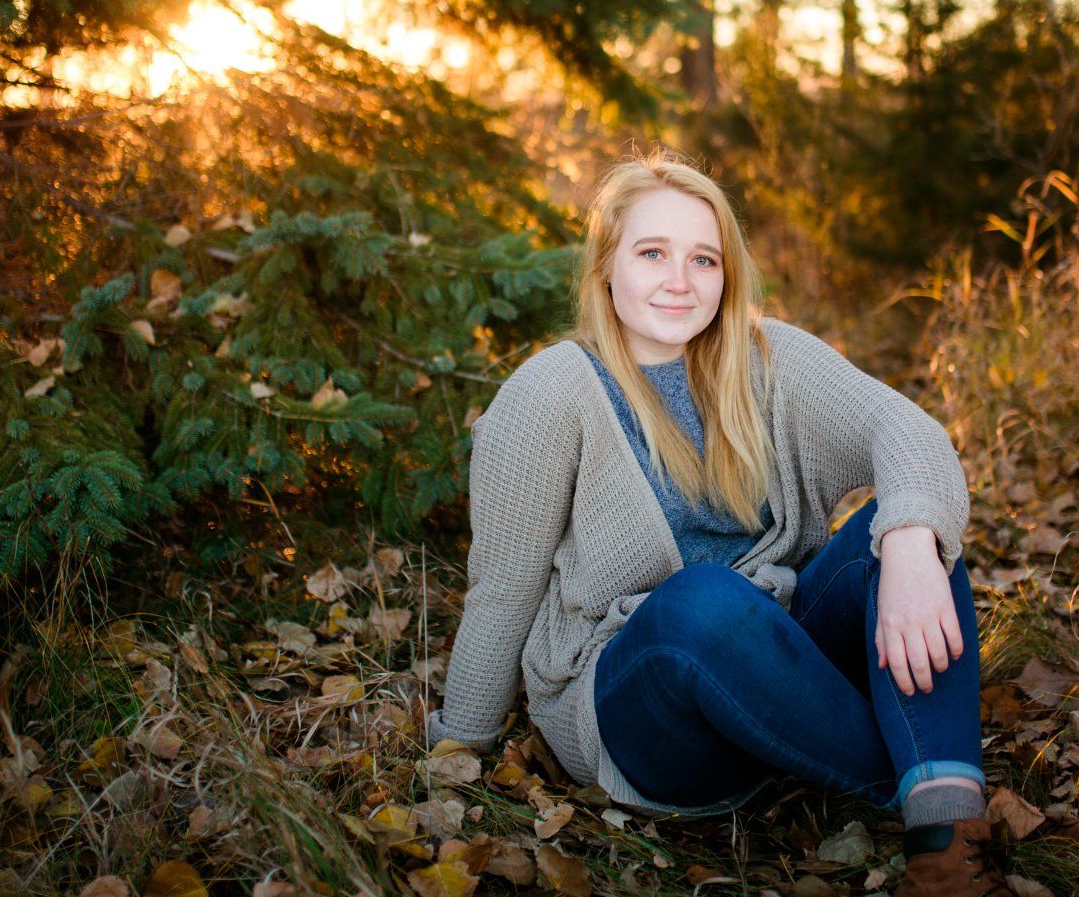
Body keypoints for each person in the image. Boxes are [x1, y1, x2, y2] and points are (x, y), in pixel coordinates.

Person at [427, 151, 1009, 895]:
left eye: (703, 258)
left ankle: (950, 844)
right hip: (643, 709)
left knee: (907, 528)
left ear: (727, 273)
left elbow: (906, 431)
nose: (680, 280)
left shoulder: (766, 357)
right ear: (607, 265)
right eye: (652, 253)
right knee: (703, 600)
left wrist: (910, 547)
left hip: (780, 658)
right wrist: (460, 749)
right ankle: (912, 751)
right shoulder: (550, 393)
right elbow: (503, 589)